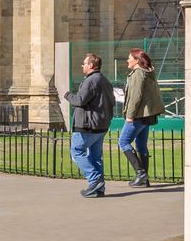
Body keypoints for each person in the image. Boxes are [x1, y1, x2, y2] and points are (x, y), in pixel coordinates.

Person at [64, 53, 115, 197]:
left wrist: (68, 95)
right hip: (101, 124)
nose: (82, 65)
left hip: (88, 125)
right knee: (95, 156)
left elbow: (80, 100)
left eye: (84, 63)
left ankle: (95, 180)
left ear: (91, 65)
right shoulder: (104, 80)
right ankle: (99, 188)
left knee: (76, 151)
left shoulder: (91, 81)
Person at [119, 48, 166, 188]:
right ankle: (144, 180)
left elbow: (136, 96)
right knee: (141, 146)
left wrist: (130, 116)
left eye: (129, 58)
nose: (127, 60)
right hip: (147, 116)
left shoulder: (139, 73)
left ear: (136, 60)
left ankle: (140, 173)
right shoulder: (148, 72)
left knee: (123, 142)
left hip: (138, 116)